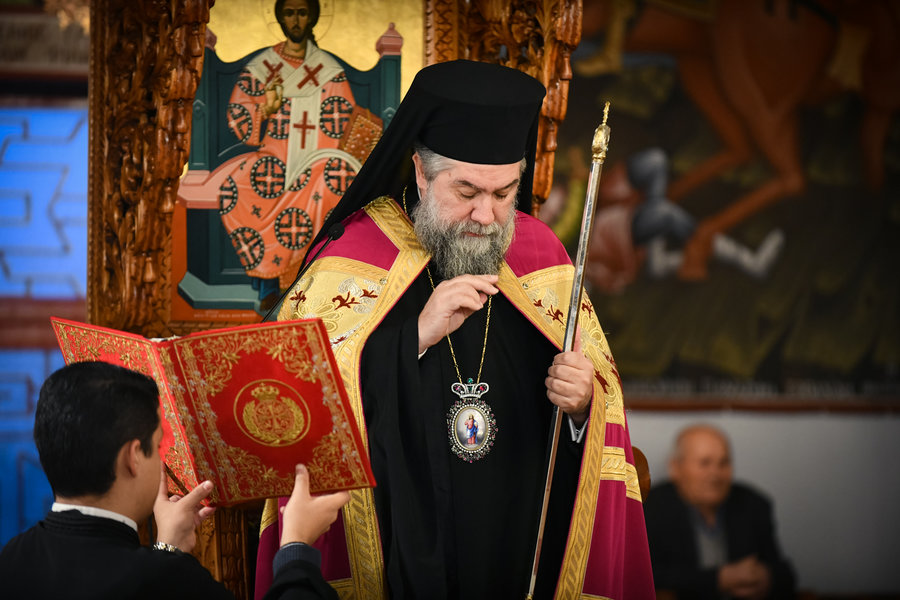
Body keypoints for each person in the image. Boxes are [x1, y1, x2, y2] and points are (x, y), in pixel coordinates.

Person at [254, 59, 654, 599]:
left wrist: (585, 405)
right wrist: (413, 338)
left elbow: (598, 406)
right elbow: (295, 402)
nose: (486, 215)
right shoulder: (355, 254)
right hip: (398, 536)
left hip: (514, 538)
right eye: (467, 192)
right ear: (421, 172)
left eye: (504, 193)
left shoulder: (541, 256)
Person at [0, 361, 348, 600]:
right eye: (157, 444)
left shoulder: (13, 558)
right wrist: (297, 548)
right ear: (134, 457)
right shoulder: (165, 581)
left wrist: (167, 549)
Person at [216, 0, 376, 307]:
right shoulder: (263, 67)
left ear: (312, 17)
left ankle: (313, 284)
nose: (296, 20)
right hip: (274, 159)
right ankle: (268, 287)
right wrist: (265, 110)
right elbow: (238, 116)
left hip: (321, 160)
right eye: (289, 13)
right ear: (280, 18)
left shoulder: (328, 69)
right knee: (233, 190)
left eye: (302, 13)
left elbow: (344, 117)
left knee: (332, 187)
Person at [643, 424, 796, 599]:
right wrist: (719, 579)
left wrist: (766, 577)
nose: (715, 474)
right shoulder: (649, 508)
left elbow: (784, 574)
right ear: (675, 468)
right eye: (705, 463)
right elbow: (645, 576)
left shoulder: (753, 504)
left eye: (724, 463)